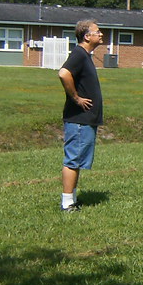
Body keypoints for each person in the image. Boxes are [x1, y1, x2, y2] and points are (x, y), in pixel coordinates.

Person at [58, 19, 105, 211]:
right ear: (87, 36)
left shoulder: (85, 56)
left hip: (86, 120)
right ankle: (67, 203)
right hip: (79, 119)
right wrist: (76, 98)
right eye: (97, 31)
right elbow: (63, 73)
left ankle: (72, 199)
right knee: (73, 160)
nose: (101, 34)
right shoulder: (79, 54)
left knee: (77, 160)